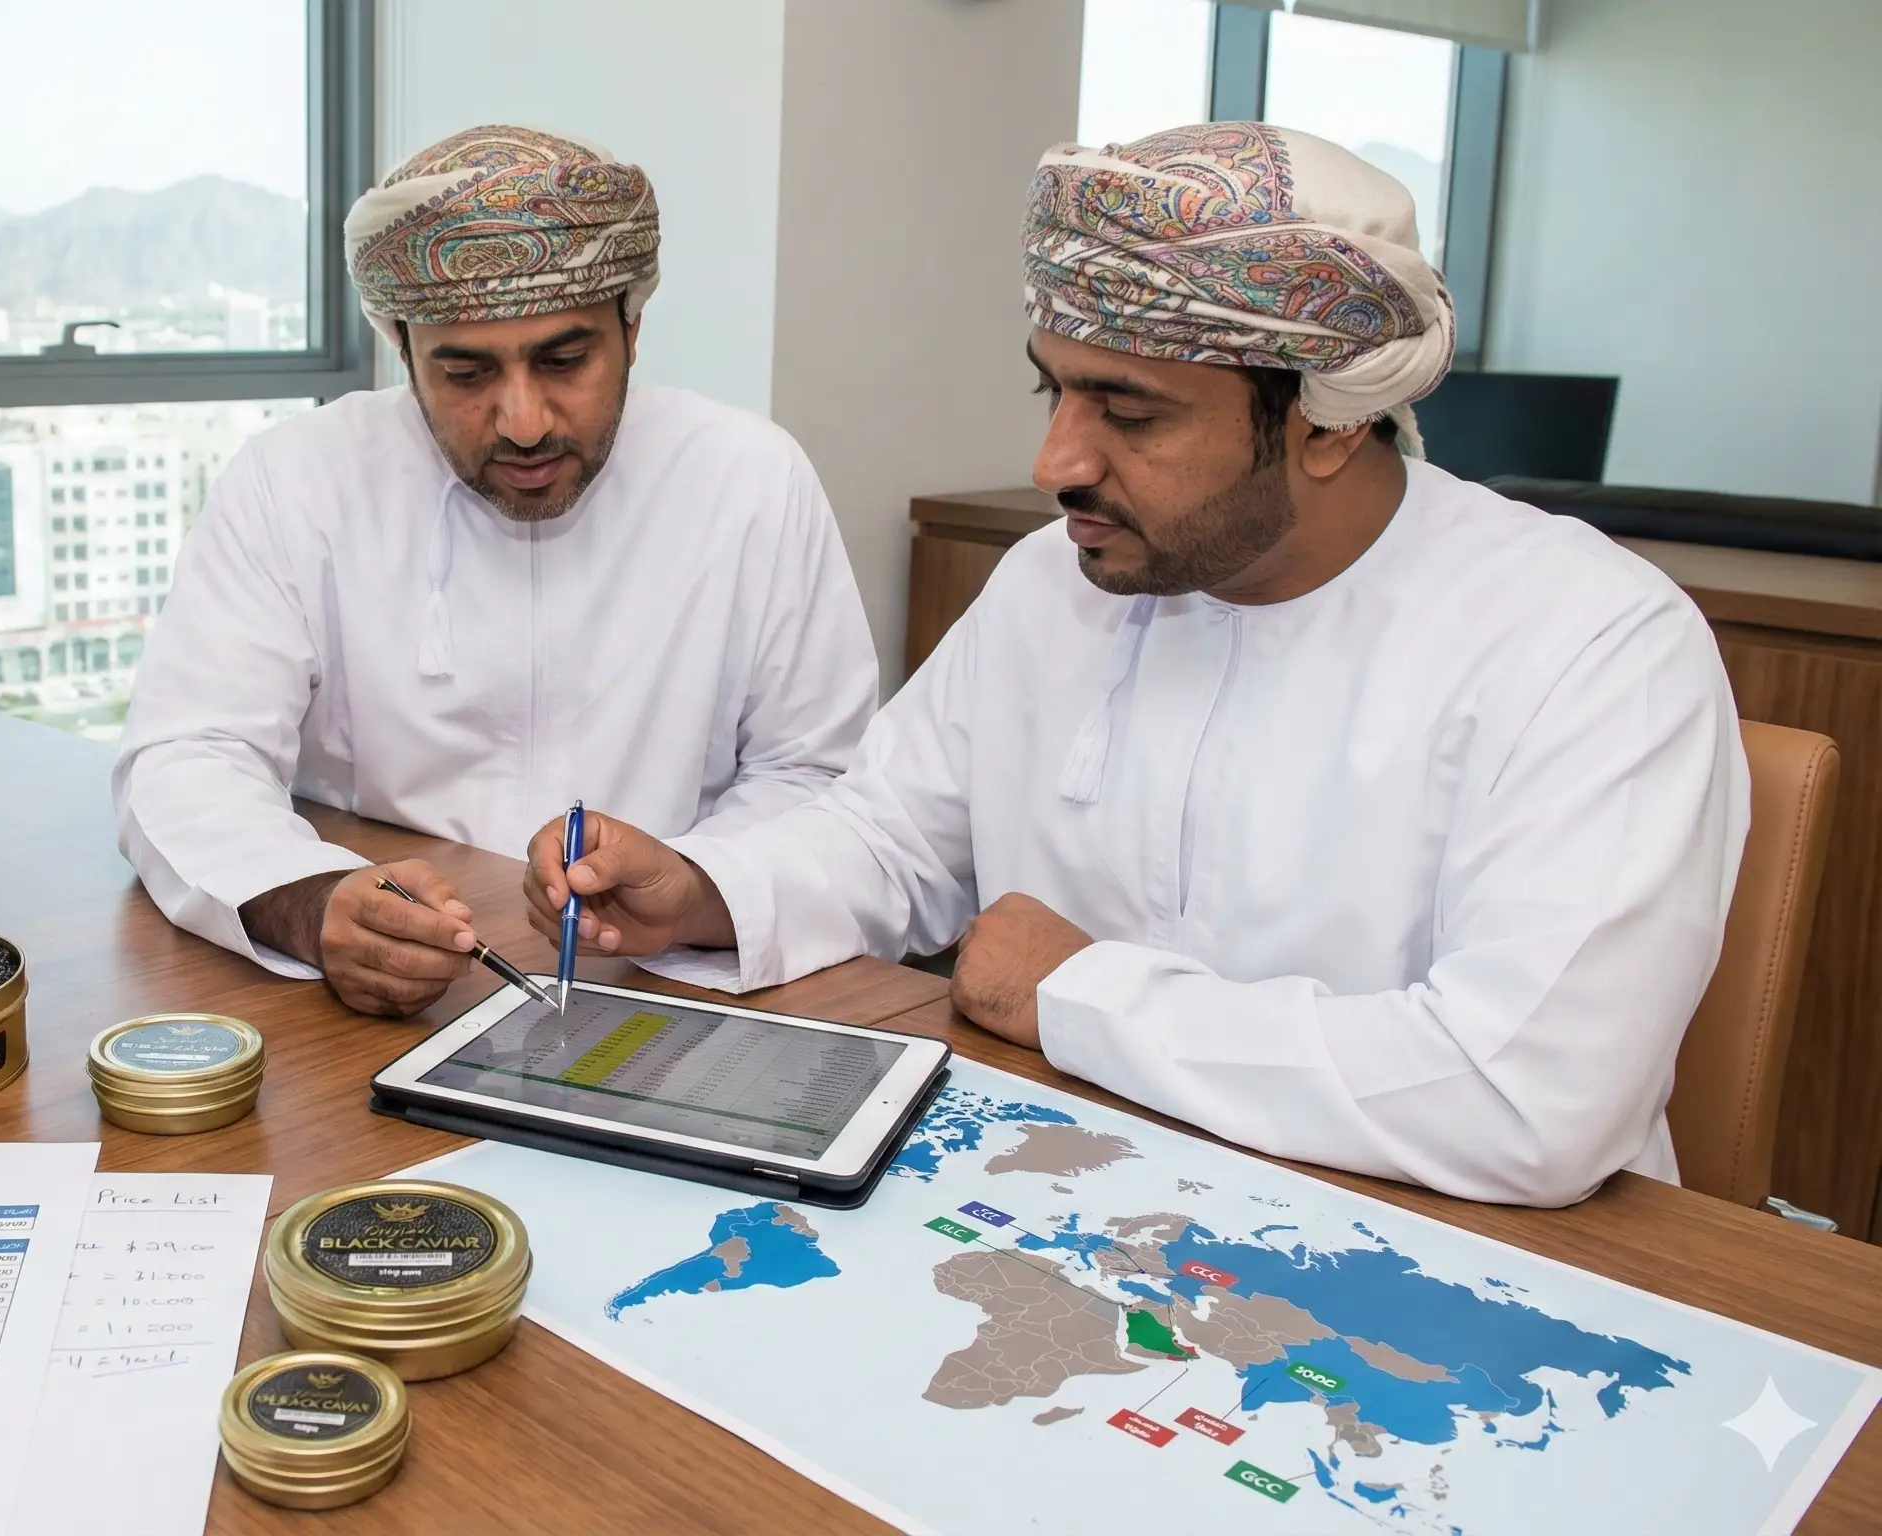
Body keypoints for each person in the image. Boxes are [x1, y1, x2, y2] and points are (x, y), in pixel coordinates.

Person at [524, 123, 1746, 1208]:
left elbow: (1524, 1098)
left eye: (1130, 410)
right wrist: (705, 888)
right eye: (1051, 390)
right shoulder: (1062, 577)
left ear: (1328, 419)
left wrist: (1078, 994)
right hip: (1081, 1194)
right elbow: (892, 835)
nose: (1055, 458)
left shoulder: (1588, 646)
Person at [116, 125, 877, 1018]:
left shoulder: (749, 476)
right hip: (374, 1014)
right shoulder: (296, 479)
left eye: (564, 361)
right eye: (467, 370)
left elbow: (819, 773)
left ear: (632, 328)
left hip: (670, 993)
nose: (522, 421)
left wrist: (697, 884)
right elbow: (188, 753)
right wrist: (311, 900)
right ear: (403, 352)